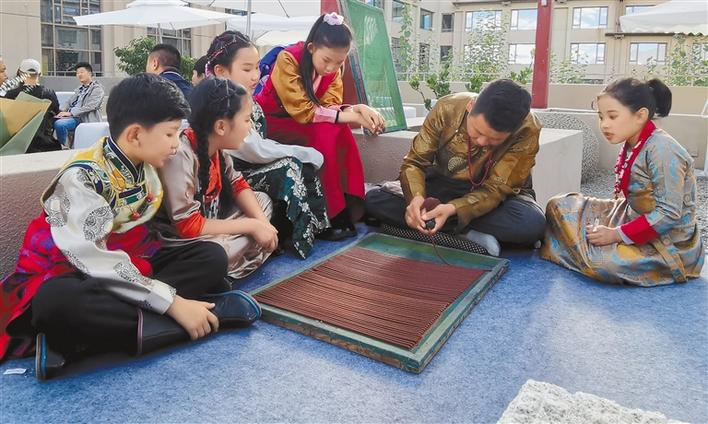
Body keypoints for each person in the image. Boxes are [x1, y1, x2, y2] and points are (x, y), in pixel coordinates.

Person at [0, 74, 261, 381]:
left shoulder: (144, 164)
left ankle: (79, 342)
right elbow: (92, 260)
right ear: (136, 134)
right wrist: (174, 303)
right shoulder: (82, 177)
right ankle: (198, 319)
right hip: (75, 269)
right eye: (170, 134)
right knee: (55, 301)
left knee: (210, 256)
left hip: (130, 263)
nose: (176, 144)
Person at [541, 78, 704, 285]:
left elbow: (669, 214)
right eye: (601, 117)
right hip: (630, 214)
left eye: (612, 116)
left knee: (603, 264)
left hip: (668, 240)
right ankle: (585, 248)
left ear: (640, 116)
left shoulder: (663, 150)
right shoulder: (633, 140)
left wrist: (615, 235)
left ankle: (581, 249)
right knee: (558, 205)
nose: (604, 124)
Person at [365, 79, 546, 256]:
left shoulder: (527, 128)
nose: (482, 142)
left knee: (531, 224)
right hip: (444, 185)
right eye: (478, 132)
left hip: (495, 197)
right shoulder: (447, 108)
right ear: (470, 106)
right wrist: (416, 199)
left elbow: (497, 189)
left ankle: (444, 226)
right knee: (375, 199)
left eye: (495, 139)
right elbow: (415, 162)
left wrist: (454, 209)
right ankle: (465, 233)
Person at [254, 13, 385, 239]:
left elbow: (330, 107)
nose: (332, 67)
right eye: (326, 60)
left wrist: (357, 109)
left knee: (339, 130)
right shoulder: (288, 59)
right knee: (325, 132)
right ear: (312, 47)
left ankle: (350, 204)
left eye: (339, 62)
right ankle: (329, 215)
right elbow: (302, 110)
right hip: (273, 122)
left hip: (304, 122)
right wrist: (354, 114)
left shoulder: (333, 70)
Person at [206, 30, 329, 256]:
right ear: (220, 72)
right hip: (228, 178)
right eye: (247, 69)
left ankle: (311, 231)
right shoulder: (219, 105)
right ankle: (291, 238)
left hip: (246, 169)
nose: (255, 76)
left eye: (256, 67)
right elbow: (251, 149)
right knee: (290, 167)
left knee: (299, 164)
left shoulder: (248, 101)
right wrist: (305, 152)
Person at [152, 77, 278, 280]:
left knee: (262, 201)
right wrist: (252, 226)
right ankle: (234, 262)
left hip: (212, 222)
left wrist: (263, 224)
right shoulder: (180, 155)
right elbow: (188, 226)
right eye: (246, 120)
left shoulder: (217, 149)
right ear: (221, 126)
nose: (250, 127)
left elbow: (237, 184)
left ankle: (238, 258)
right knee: (216, 254)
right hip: (181, 241)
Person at [4, 58, 61, 153]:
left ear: (20, 73)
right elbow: (56, 111)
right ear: (39, 74)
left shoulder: (11, 94)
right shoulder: (49, 93)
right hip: (45, 143)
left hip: (17, 145)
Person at [53, 62, 105, 146]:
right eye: (77, 73)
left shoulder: (97, 89)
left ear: (90, 73)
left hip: (83, 118)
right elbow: (68, 102)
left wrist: (71, 113)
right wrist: (61, 111)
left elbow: (91, 106)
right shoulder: (79, 89)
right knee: (49, 120)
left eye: (81, 72)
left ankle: (63, 147)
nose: (79, 75)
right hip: (72, 116)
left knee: (60, 124)